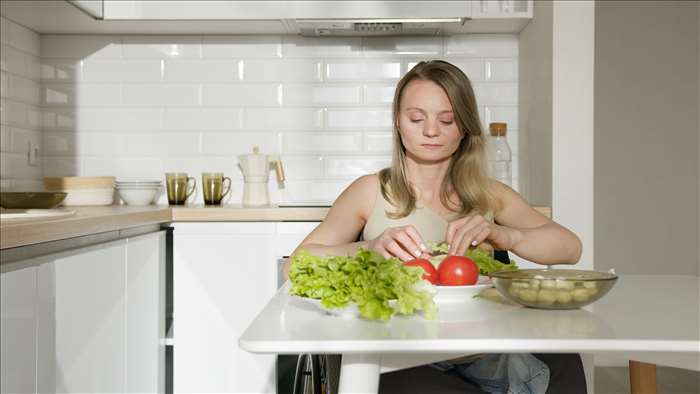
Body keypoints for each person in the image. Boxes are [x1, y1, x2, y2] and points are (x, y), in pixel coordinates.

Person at [283, 60, 587, 394]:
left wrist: (507, 235)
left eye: (447, 120)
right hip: (403, 353)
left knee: (563, 358)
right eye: (416, 118)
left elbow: (570, 248)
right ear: (398, 122)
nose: (431, 131)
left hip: (481, 349)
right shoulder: (370, 191)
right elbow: (295, 265)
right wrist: (367, 249)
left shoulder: (489, 195)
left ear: (465, 127)